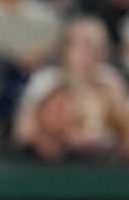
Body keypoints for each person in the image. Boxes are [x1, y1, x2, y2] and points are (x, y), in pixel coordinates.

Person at [12, 14, 129, 161]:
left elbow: (123, 130)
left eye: (100, 46)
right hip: (56, 162)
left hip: (105, 163)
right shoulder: (47, 80)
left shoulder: (112, 81)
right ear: (66, 47)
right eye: (86, 44)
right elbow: (24, 132)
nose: (93, 52)